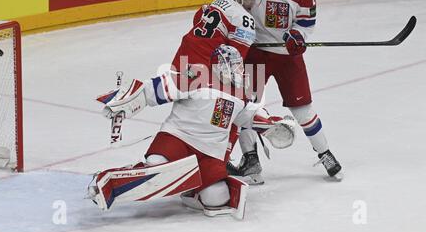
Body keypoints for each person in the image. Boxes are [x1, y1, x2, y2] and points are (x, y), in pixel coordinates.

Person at [89, 44, 295, 219]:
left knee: (217, 198)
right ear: (220, 65)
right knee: (157, 165)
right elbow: (156, 90)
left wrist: (273, 125)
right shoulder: (196, 75)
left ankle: (191, 191)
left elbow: (249, 115)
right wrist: (125, 104)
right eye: (235, 66)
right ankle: (111, 180)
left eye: (239, 66)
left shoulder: (241, 94)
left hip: (210, 153)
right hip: (178, 137)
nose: (239, 71)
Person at [227, 0, 342, 184]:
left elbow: (305, 25)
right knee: (245, 107)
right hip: (256, 51)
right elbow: (238, 2)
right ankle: (250, 160)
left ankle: (325, 153)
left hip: (286, 56)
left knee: (302, 109)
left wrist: (297, 37)